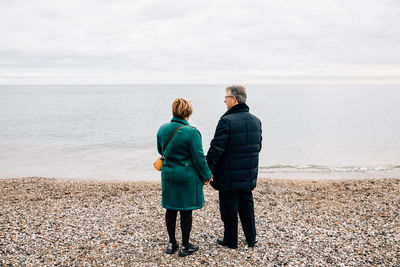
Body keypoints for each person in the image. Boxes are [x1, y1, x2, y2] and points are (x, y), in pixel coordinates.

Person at [206, 85, 262, 249]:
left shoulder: (226, 121)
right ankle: (251, 238)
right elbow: (258, 146)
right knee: (246, 204)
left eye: (226, 97)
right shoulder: (256, 120)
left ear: (234, 99)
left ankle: (231, 240)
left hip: (228, 174)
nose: (224, 100)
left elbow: (216, 148)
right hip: (248, 172)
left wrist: (207, 169)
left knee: (229, 206)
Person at [157, 98, 213, 257]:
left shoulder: (162, 129)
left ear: (174, 111)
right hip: (186, 175)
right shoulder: (192, 132)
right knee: (186, 210)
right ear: (189, 112)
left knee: (171, 208)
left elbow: (160, 149)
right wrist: (207, 175)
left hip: (168, 174)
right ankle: (185, 245)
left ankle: (172, 243)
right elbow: (199, 158)